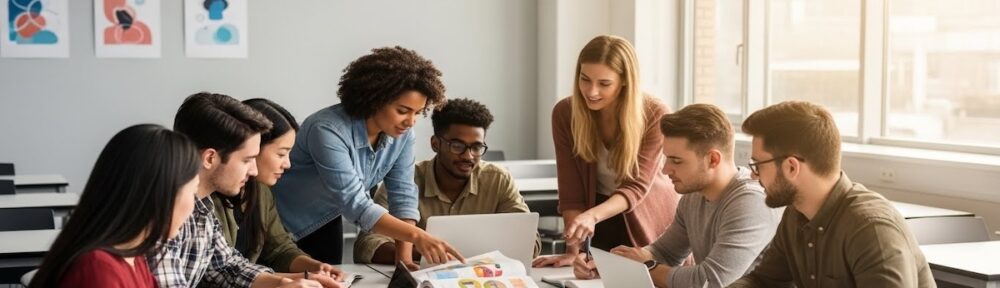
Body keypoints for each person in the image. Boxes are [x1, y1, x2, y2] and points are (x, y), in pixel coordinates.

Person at [273, 46, 463, 265]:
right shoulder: (326, 129)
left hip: (326, 220)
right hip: (280, 225)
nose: (410, 122)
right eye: (402, 111)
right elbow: (355, 202)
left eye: (417, 113)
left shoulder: (402, 135)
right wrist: (419, 235)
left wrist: (404, 261)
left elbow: (403, 195)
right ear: (375, 99)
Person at [728, 101, 934, 288]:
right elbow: (764, 282)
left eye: (757, 165)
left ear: (791, 167)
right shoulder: (795, 216)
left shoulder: (871, 229)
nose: (754, 176)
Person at [574, 104, 781, 287]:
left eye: (676, 160)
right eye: (666, 159)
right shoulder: (693, 195)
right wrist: (610, 264)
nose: (665, 170)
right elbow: (665, 252)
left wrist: (644, 265)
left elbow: (710, 282)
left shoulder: (750, 202)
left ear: (713, 159)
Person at [150, 92, 335, 288]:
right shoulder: (164, 213)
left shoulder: (203, 206)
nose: (254, 170)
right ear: (210, 158)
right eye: (247, 160)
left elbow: (226, 267)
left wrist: (284, 283)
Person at [534, 35, 680, 267]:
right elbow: (571, 192)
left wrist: (591, 216)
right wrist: (574, 250)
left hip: (647, 221)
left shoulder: (654, 113)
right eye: (585, 79)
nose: (591, 91)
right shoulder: (565, 113)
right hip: (597, 221)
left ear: (624, 81)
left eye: (604, 83)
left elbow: (636, 187)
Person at [353, 98, 540, 270]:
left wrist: (458, 255)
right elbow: (366, 245)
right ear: (435, 144)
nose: (468, 156)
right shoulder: (405, 179)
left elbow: (530, 241)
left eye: (476, 147)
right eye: (457, 146)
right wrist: (429, 251)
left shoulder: (498, 179)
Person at [29, 124, 200, 288]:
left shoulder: (133, 256)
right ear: (163, 193)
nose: (193, 207)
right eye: (193, 193)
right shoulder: (99, 270)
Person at [208, 98, 345, 280]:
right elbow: (221, 272)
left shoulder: (260, 191)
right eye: (281, 154)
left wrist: (316, 267)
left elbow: (279, 248)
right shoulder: (204, 200)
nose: (287, 164)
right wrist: (287, 280)